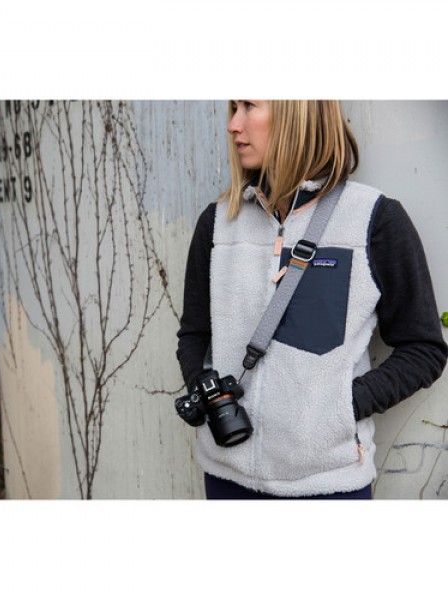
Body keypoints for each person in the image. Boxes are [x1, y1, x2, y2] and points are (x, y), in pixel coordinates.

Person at [176, 100, 448, 500]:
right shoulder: (217, 224)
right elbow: (195, 334)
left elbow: (423, 349)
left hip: (329, 485)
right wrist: (203, 385)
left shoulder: (373, 220)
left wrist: (340, 408)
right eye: (233, 109)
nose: (233, 125)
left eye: (249, 106)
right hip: (225, 476)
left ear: (295, 112)